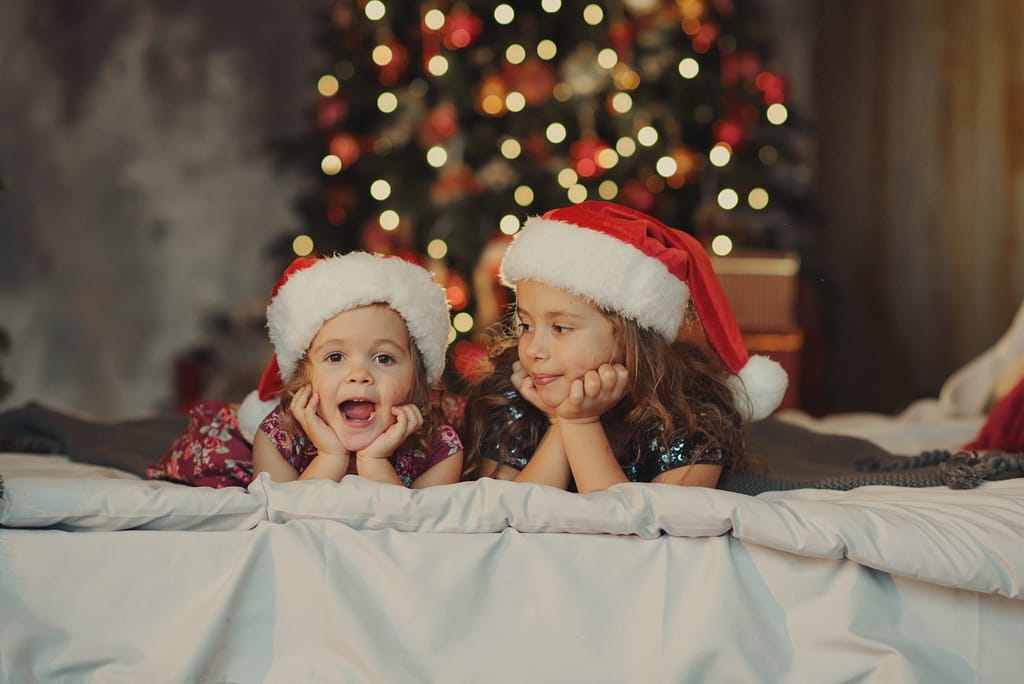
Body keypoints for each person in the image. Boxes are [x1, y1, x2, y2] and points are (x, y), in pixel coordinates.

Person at [463, 201, 788, 492]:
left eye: (561, 328)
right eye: (526, 325)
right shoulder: (513, 392)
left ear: (630, 335)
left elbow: (635, 531)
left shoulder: (691, 414)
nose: (534, 349)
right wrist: (560, 421)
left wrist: (580, 424)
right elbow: (508, 513)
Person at [147, 252, 464, 488]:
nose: (359, 375)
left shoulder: (439, 448)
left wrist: (374, 461)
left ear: (418, 379)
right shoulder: (279, 437)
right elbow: (285, 522)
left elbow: (414, 532)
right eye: (336, 357)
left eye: (383, 358)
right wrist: (330, 457)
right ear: (303, 376)